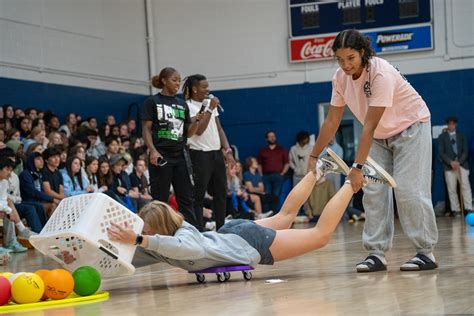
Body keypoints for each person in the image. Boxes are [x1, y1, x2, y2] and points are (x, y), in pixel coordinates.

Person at [106, 150, 395, 273]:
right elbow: (131, 259)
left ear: (158, 229)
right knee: (284, 217)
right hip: (232, 233)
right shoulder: (162, 243)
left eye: (147, 231)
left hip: (245, 241)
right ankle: (321, 170)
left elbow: (187, 249)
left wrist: (141, 240)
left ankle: (357, 179)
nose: (144, 235)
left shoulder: (181, 237)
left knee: (320, 236)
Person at [308, 29, 438, 272]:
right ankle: (376, 254)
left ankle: (425, 251)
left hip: (411, 127)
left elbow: (368, 125)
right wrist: (313, 155)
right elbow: (331, 121)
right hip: (379, 136)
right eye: (340, 59)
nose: (345, 65)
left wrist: (356, 168)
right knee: (373, 192)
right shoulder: (339, 78)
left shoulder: (381, 73)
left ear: (363, 54)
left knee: (409, 190)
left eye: (351, 58)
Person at [141, 67, 201, 228]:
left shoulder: (182, 104)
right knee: (160, 199)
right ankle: (158, 234)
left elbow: (188, 133)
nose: (177, 83)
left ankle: (191, 235)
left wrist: (196, 121)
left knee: (186, 198)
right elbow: (146, 128)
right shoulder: (152, 102)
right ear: (164, 81)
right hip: (161, 154)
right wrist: (153, 151)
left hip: (181, 155)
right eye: (174, 80)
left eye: (179, 80)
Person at [182, 74, 236, 231]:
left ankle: (221, 229)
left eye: (208, 86)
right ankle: (199, 231)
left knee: (221, 194)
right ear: (194, 88)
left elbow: (219, 128)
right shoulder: (187, 106)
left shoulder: (208, 104)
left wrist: (228, 151)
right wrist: (210, 108)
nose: (208, 89)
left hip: (216, 154)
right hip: (199, 155)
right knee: (198, 196)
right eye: (204, 87)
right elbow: (199, 131)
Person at [438, 116, 472, 215]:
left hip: (462, 165)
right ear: (447, 125)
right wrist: (451, 162)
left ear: (455, 124)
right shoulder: (442, 137)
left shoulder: (462, 136)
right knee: (451, 189)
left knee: (465, 187)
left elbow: (465, 151)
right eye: (449, 124)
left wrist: (458, 162)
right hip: (449, 167)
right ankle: (455, 209)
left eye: (453, 123)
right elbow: (441, 152)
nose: (451, 125)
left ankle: (469, 208)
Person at [258, 131, 289, 212]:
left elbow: (287, 163)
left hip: (278, 176)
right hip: (266, 176)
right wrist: (261, 175)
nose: (272, 138)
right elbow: (259, 164)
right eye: (270, 136)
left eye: (273, 136)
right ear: (266, 139)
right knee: (267, 194)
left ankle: (274, 213)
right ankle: (267, 213)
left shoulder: (281, 149)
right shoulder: (263, 150)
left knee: (276, 195)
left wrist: (282, 173)